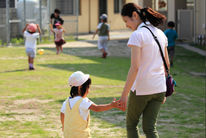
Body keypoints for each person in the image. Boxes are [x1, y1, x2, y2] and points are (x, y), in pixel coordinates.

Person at [119, 3, 170, 138]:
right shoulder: (161, 33)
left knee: (131, 125)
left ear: (134, 15)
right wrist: (163, 90)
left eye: (126, 21)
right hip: (159, 88)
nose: (126, 25)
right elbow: (167, 64)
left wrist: (124, 95)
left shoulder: (138, 35)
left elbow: (135, 67)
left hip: (142, 88)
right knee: (150, 128)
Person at [60, 71, 118, 138]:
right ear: (80, 87)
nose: (89, 90)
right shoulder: (83, 101)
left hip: (68, 135)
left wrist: (63, 126)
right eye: (88, 87)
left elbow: (62, 114)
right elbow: (97, 108)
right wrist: (111, 105)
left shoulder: (66, 102)